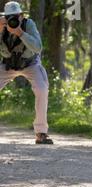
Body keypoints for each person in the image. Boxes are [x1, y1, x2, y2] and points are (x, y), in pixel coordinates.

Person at [0, 1, 53, 144]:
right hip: (8, 65)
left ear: (21, 16)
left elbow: (38, 48)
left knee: (42, 90)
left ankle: (41, 133)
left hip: (30, 63)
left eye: (15, 16)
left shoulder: (29, 25)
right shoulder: (1, 26)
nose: (13, 20)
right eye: (9, 17)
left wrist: (21, 33)